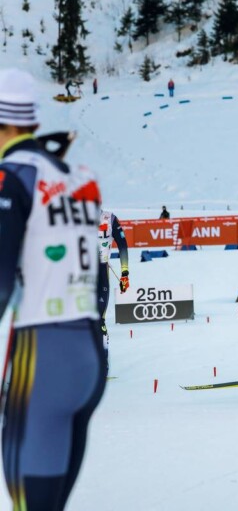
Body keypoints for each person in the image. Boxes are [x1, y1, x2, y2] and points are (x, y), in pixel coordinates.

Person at [0, 68, 106, 511]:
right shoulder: (76, 176)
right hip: (87, 355)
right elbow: (98, 276)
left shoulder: (12, 176)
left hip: (42, 359)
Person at [98, 210, 130, 373]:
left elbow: (122, 244)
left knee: (99, 318)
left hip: (102, 271)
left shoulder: (109, 218)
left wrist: (125, 273)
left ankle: (103, 362)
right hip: (80, 275)